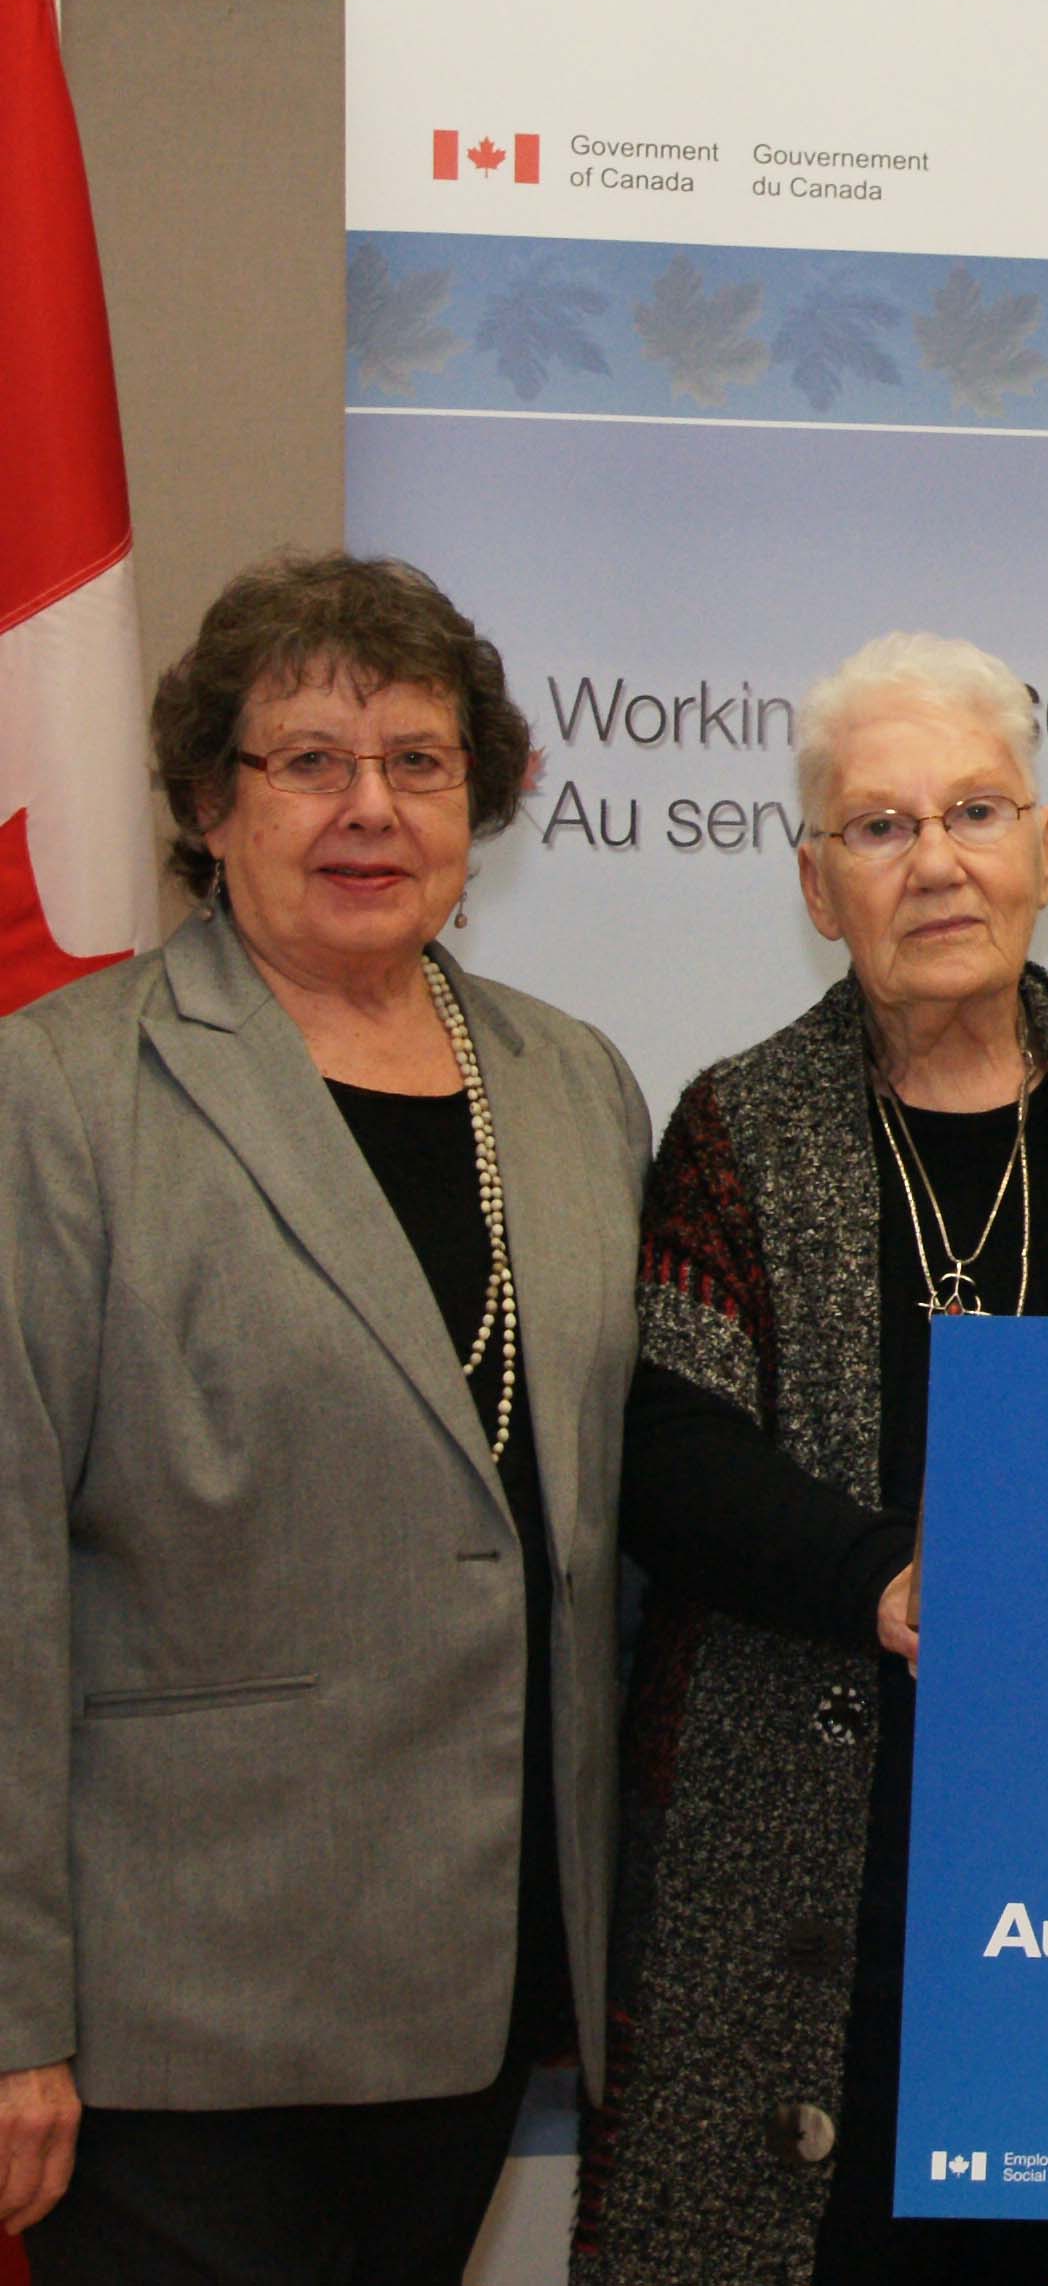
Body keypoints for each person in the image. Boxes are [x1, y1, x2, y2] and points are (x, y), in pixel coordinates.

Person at [571, 633, 1048, 2286]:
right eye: (880, 827)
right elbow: (672, 1453)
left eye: (975, 808)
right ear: (818, 886)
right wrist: (886, 1578)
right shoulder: (737, 1120)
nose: (938, 859)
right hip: (808, 1827)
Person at [0, 554, 648, 2281]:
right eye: (308, 761)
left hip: (477, 1978)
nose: (371, 806)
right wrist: (10, 2008)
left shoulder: (574, 1081)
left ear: (480, 797)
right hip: (182, 2010)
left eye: (420, 761)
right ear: (211, 805)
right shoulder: (64, 1089)